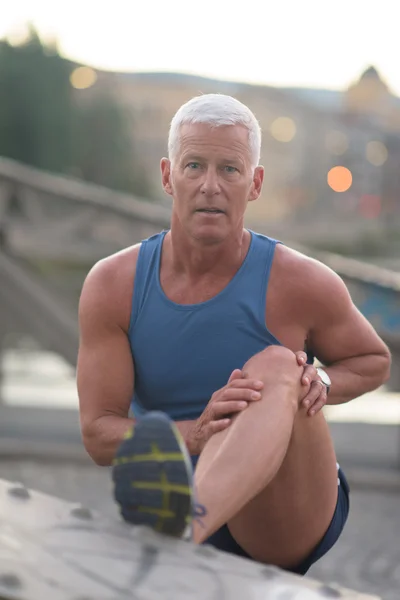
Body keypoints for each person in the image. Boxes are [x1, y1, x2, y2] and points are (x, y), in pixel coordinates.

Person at [77, 94, 391, 575]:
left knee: (275, 365)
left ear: (255, 183)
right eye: (194, 166)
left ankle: (178, 536)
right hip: (177, 477)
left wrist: (319, 383)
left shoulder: (302, 282)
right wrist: (197, 435)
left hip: (287, 506)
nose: (210, 186)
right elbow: (99, 436)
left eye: (229, 170)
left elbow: (373, 360)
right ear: (167, 176)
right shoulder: (112, 284)